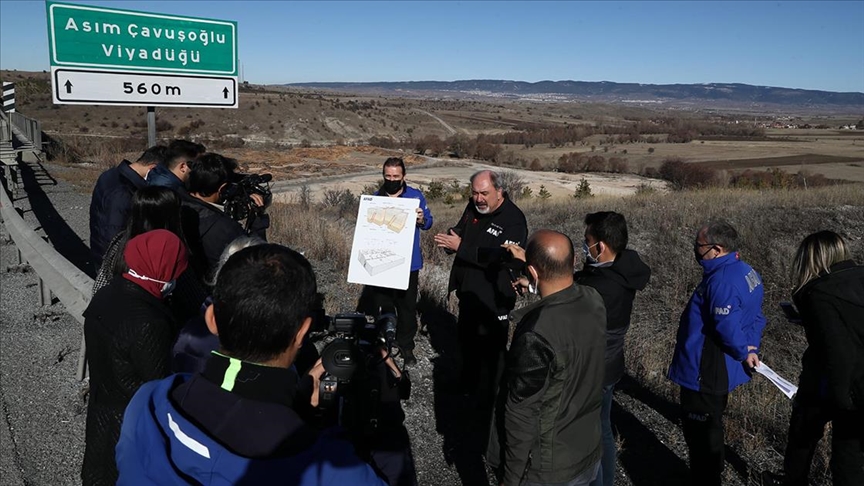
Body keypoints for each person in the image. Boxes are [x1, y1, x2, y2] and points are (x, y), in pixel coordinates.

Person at [116, 244, 387, 485]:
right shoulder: (329, 470)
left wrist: (294, 405)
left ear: (212, 320)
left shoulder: (147, 404)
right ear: (302, 333)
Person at [489, 230, 606, 486]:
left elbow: (520, 415)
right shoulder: (594, 300)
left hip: (548, 468)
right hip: (587, 449)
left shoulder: (536, 333)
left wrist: (511, 479)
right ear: (573, 261)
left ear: (531, 272)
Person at [82, 229, 188, 486]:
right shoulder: (149, 322)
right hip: (129, 421)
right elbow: (158, 383)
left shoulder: (106, 294)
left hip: (100, 409)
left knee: (97, 474)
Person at [433, 169, 527, 451]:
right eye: (474, 193)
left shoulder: (514, 220)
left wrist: (461, 246)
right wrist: (451, 241)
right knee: (467, 343)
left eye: (484, 193)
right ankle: (467, 387)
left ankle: (493, 406)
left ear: (500, 191)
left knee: (494, 355)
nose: (478, 198)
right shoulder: (473, 207)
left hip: (494, 299)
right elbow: (463, 229)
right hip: (469, 294)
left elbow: (499, 257)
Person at [667, 220, 766, 486]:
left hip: (705, 370)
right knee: (713, 422)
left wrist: (742, 350)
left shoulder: (721, 281)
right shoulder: (747, 272)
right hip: (721, 368)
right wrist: (751, 347)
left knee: (701, 431)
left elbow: (727, 327)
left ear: (717, 249)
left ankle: (707, 477)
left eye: (699, 246)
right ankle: (713, 468)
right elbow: (757, 316)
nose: (696, 250)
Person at [769, 231, 863, 486]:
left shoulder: (817, 293)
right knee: (851, 454)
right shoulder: (859, 277)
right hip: (858, 384)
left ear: (810, 258)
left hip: (833, 383)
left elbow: (835, 349)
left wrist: (844, 400)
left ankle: (793, 481)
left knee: (806, 436)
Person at [574, 212, 651, 486]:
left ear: (601, 246)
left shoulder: (603, 288)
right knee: (603, 428)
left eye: (587, 241)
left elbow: (568, 304)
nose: (585, 246)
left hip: (593, 370)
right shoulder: (621, 269)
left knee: (588, 436)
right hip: (610, 365)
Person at [358, 157, 433, 366]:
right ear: (383, 176)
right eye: (387, 176)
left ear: (404, 176)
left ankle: (406, 346)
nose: (391, 180)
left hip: (409, 264)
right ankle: (383, 345)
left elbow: (428, 222)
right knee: (382, 305)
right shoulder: (375, 198)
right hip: (382, 263)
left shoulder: (416, 197)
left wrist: (421, 219)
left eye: (396, 177)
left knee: (407, 308)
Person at [181, 152, 269, 281]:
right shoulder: (224, 228)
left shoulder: (177, 202)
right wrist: (258, 222)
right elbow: (255, 263)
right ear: (222, 188)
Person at [89, 145, 166, 269]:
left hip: (100, 251)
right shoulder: (124, 193)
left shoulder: (111, 174)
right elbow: (114, 235)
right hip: (113, 263)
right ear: (153, 169)